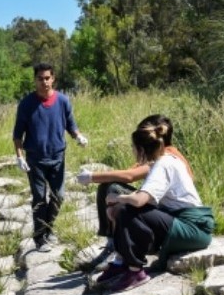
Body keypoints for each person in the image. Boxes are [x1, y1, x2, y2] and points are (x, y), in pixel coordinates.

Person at [96, 121, 214, 292]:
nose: (132, 151)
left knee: (127, 209)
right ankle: (121, 262)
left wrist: (117, 197)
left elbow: (139, 200)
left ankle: (135, 272)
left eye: (133, 147)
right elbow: (149, 199)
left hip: (194, 228)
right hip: (182, 222)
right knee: (120, 209)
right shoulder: (160, 162)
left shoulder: (163, 165)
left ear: (141, 150)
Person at [76, 114, 194, 271]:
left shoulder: (165, 158)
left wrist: (92, 177)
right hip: (170, 213)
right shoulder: (161, 154)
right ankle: (115, 244)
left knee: (110, 188)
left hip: (175, 217)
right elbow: (130, 171)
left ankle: (117, 248)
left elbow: (129, 176)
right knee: (113, 189)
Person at [13, 62, 88, 252]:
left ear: (53, 78)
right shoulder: (27, 104)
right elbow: (17, 134)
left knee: (58, 196)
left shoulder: (63, 101)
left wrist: (78, 136)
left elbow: (70, 125)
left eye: (47, 78)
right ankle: (40, 238)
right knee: (39, 198)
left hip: (58, 156)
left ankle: (49, 228)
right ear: (35, 80)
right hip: (35, 159)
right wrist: (19, 157)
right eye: (40, 78)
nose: (44, 82)